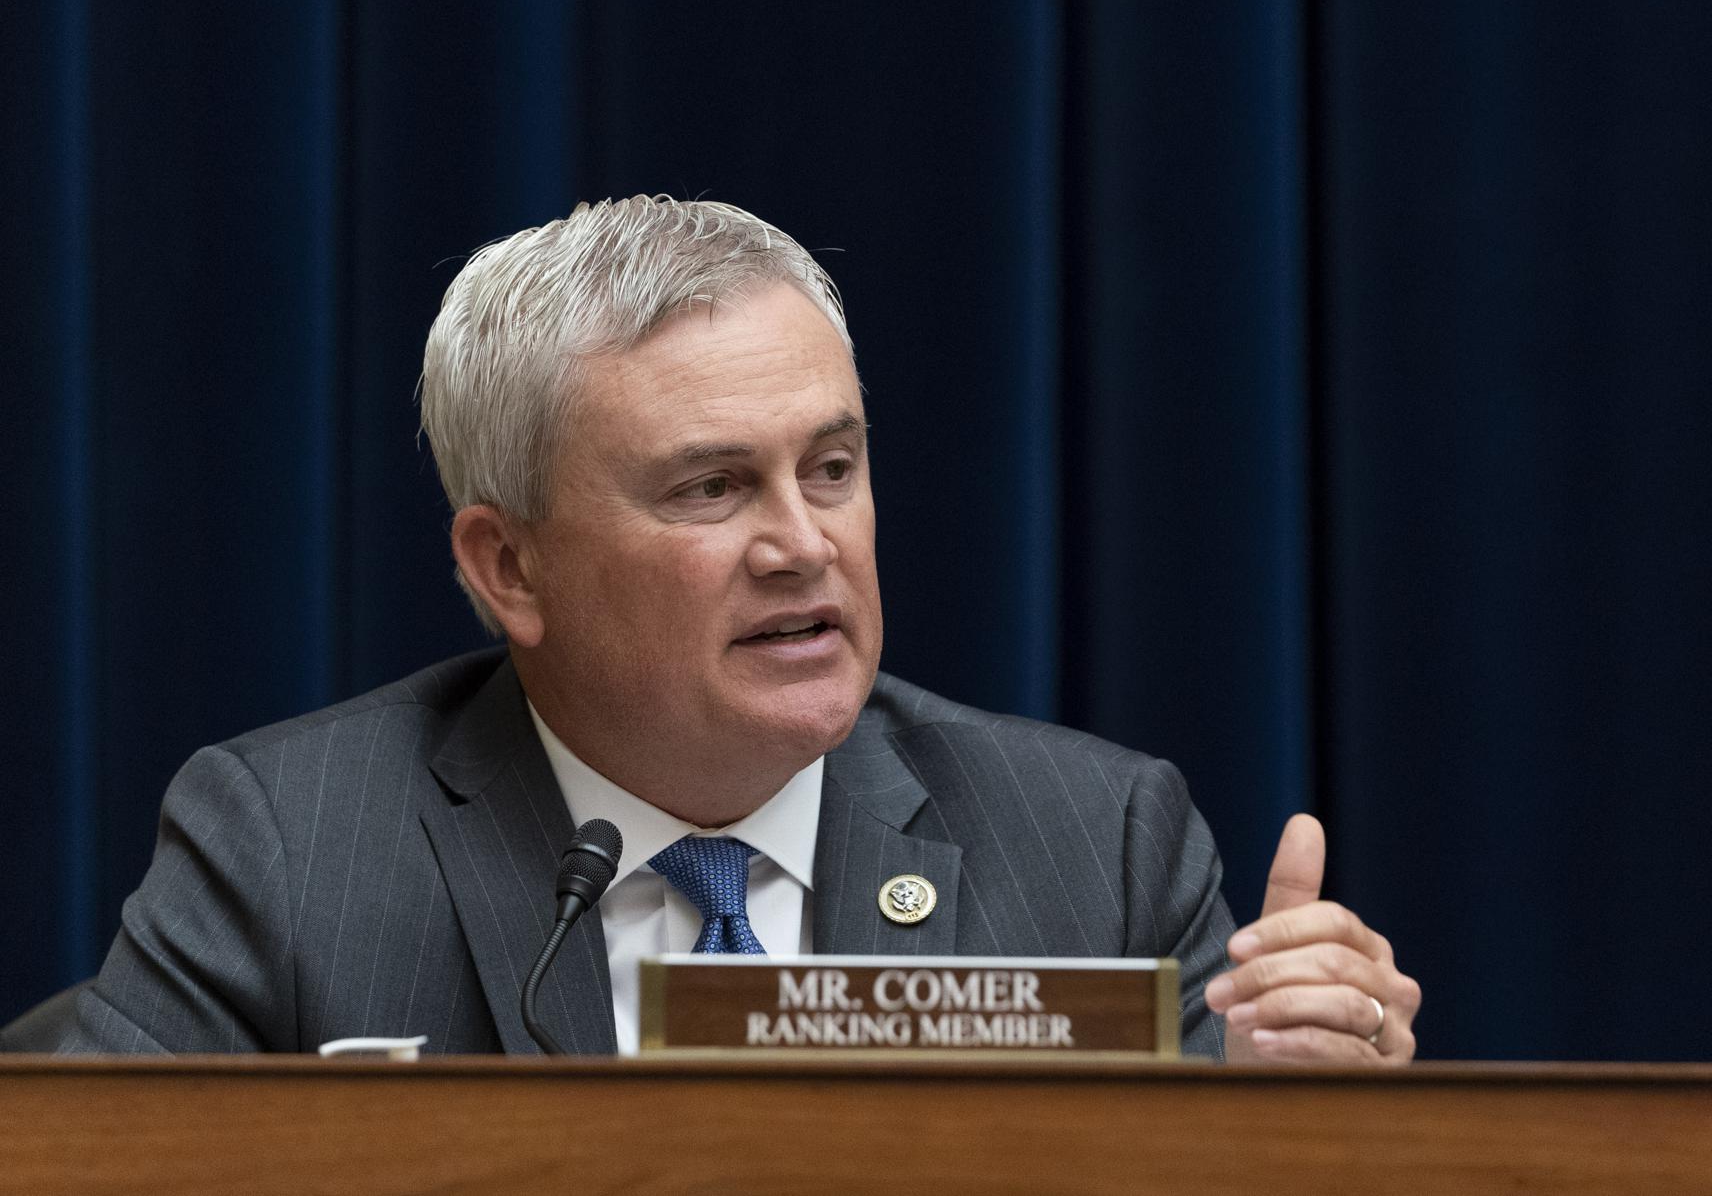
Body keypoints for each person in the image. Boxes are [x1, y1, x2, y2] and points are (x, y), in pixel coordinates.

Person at [51, 196, 1420, 1061]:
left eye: (832, 467)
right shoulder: (293, 847)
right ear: (509, 564)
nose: (803, 542)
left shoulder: (1096, 844)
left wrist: (1280, 1132)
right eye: (713, 487)